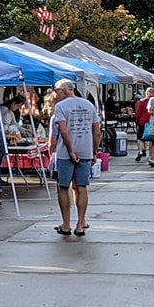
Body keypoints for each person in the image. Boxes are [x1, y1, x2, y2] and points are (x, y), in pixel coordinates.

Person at [48, 77, 101, 237]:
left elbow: (63, 131)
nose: (56, 95)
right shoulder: (88, 105)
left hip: (65, 153)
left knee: (63, 187)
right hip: (86, 151)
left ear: (63, 90)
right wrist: (94, 151)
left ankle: (66, 224)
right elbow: (97, 131)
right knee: (82, 186)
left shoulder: (61, 107)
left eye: (57, 92)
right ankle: (80, 223)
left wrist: (70, 150)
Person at [133, 91, 150, 161]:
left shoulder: (141, 102)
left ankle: (141, 150)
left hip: (142, 122)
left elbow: (138, 113)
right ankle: (146, 151)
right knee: (148, 138)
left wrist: (137, 120)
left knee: (140, 138)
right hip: (152, 122)